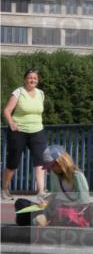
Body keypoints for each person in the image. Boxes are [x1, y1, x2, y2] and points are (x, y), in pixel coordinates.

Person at [2, 68, 48, 200]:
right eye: (30, 77)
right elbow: (7, 110)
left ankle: (41, 191)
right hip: (18, 131)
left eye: (35, 78)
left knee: (40, 160)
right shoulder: (18, 92)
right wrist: (11, 122)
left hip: (37, 130)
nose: (32, 80)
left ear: (37, 80)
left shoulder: (41, 93)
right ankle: (4, 189)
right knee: (13, 162)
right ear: (25, 79)